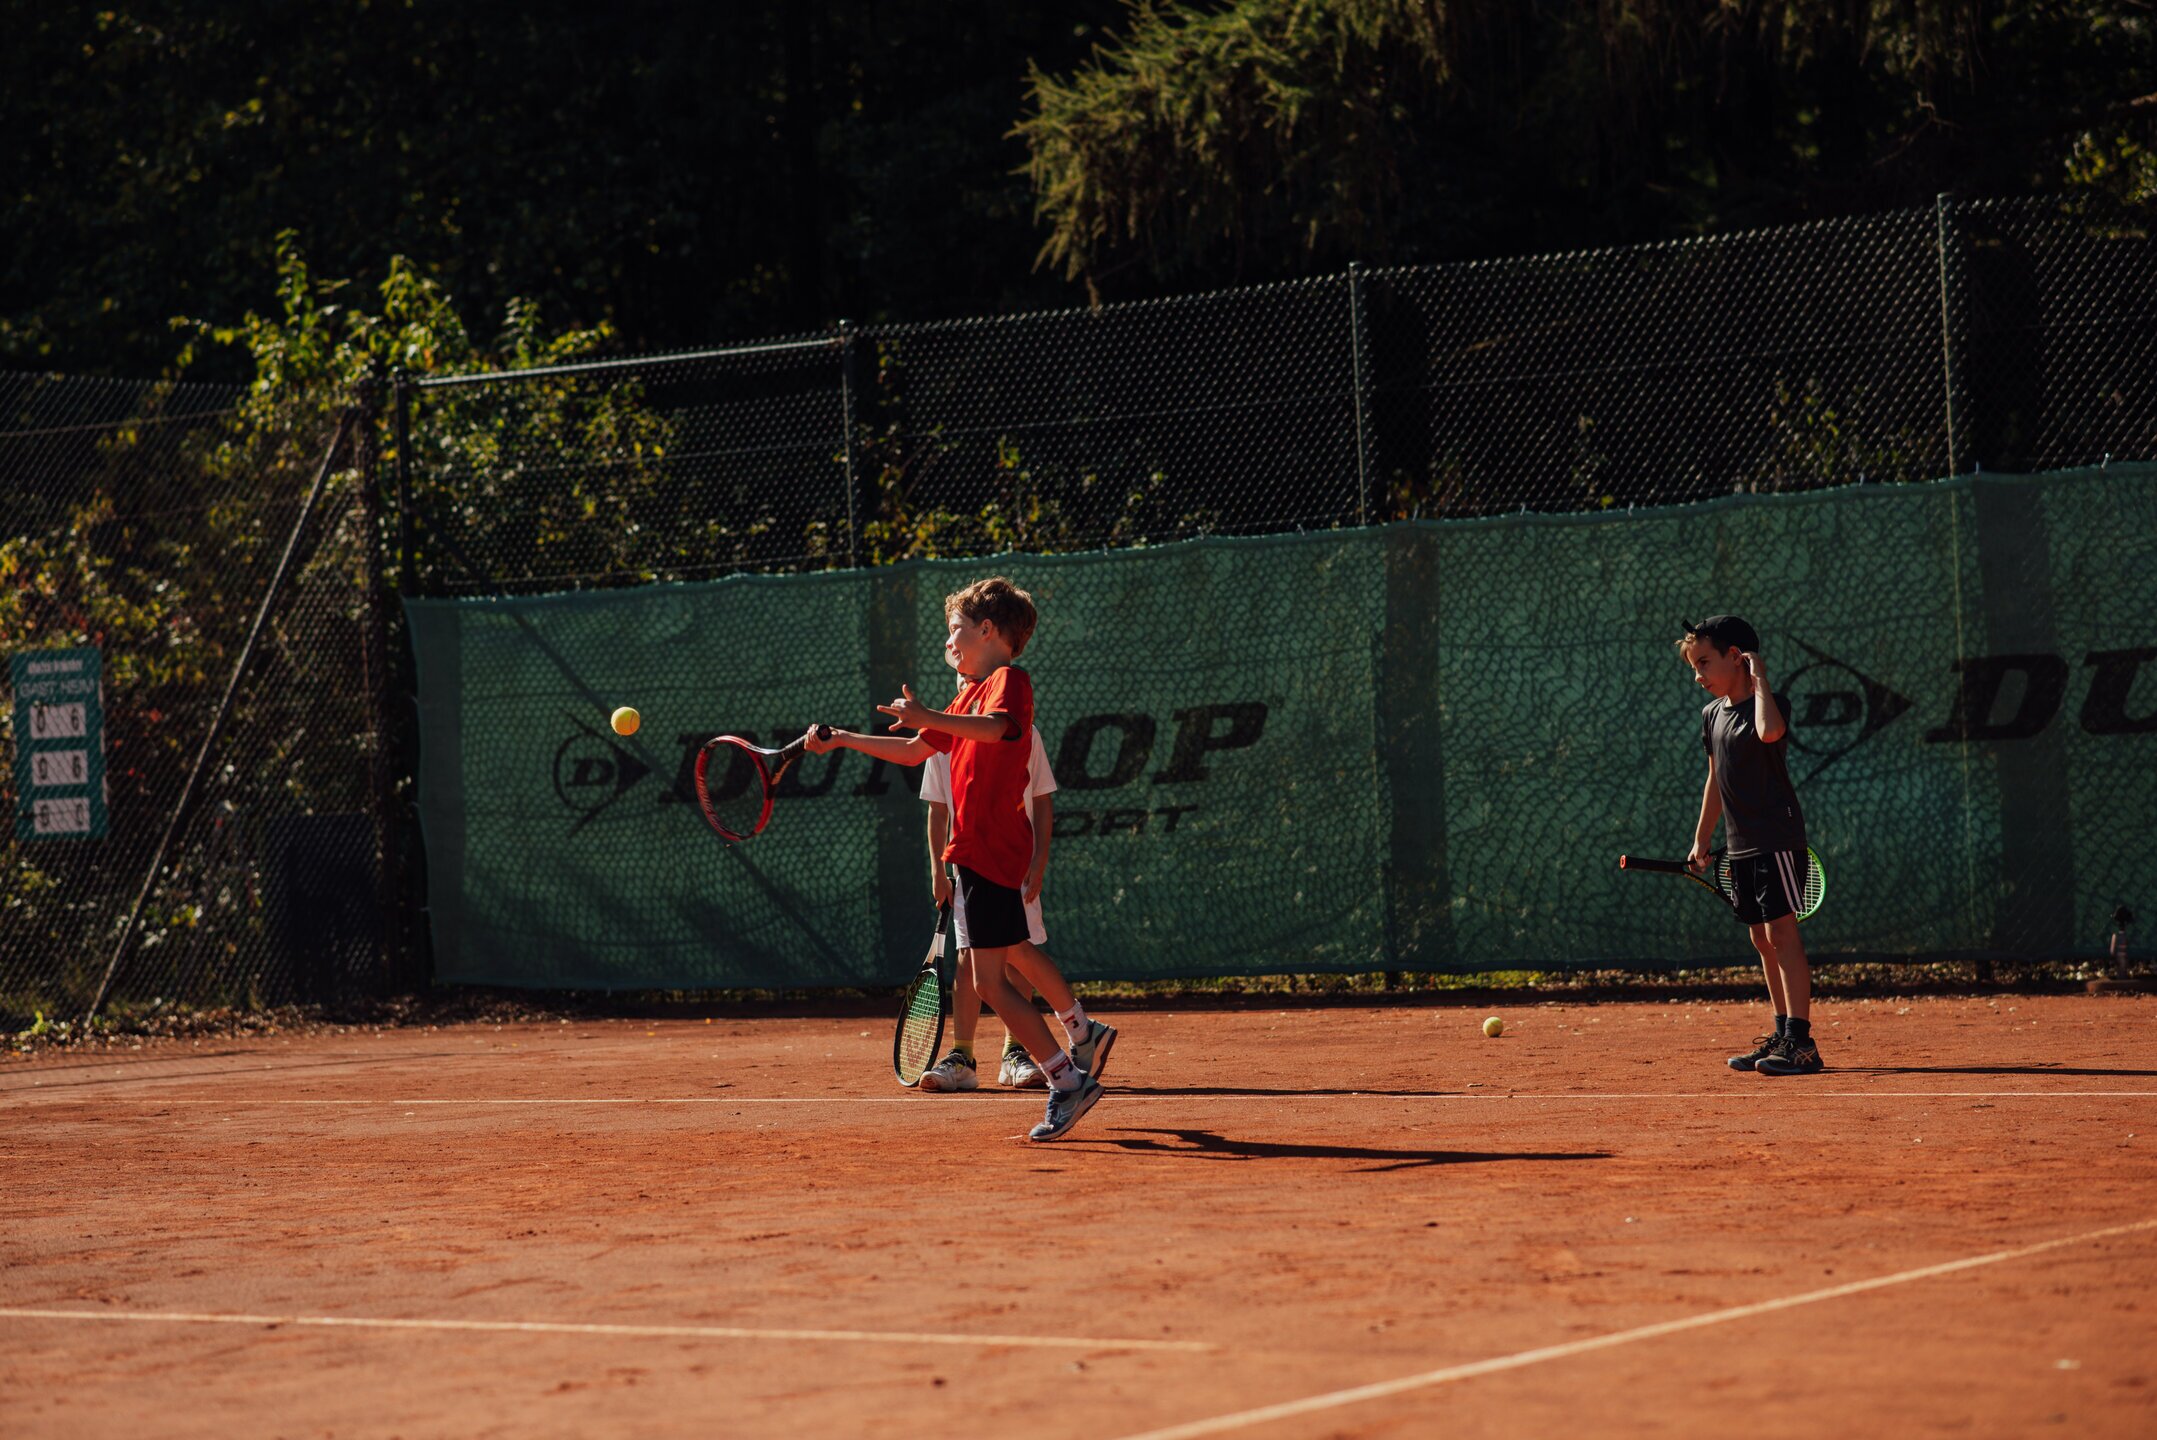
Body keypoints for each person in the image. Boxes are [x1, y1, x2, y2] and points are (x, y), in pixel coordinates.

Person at [807, 577, 1111, 1140]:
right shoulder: (967, 696)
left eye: (956, 630)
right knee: (990, 979)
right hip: (974, 854)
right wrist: (844, 739)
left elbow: (996, 731)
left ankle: (1068, 1078)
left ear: (987, 630)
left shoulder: (1008, 682)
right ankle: (1071, 1066)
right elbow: (913, 751)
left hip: (991, 853)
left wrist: (929, 715)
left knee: (991, 981)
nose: (949, 642)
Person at [916, 664, 1111, 1093]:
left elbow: (1042, 799)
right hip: (967, 864)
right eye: (961, 679)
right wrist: (937, 870)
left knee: (1016, 953)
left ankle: (1016, 1053)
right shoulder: (942, 738)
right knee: (971, 958)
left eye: (975, 680)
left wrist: (1039, 860)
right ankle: (963, 1056)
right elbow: (937, 808)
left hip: (1012, 863)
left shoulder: (1023, 732)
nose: (967, 684)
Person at [1677, 615, 1822, 1077]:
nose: (1697, 676)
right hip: (1738, 845)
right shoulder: (1711, 715)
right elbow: (1714, 780)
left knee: (1782, 935)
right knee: (1760, 938)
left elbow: (1769, 733)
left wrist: (1760, 680)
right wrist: (1702, 838)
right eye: (1694, 666)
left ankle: (1802, 1043)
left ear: (1736, 657)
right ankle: (1781, 1033)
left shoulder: (1770, 704)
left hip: (1776, 839)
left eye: (1704, 663)